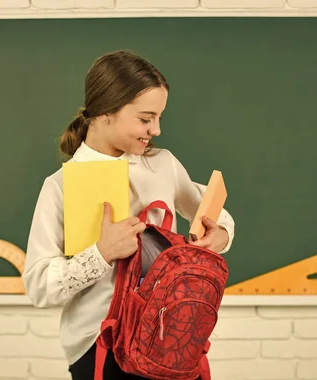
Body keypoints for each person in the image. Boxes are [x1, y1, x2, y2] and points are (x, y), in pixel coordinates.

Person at [22, 50, 235, 380]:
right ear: (106, 112)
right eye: (146, 118)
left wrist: (218, 235)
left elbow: (216, 216)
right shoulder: (63, 184)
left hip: (168, 339)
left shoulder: (162, 164)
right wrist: (101, 254)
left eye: (159, 118)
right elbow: (39, 287)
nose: (157, 130)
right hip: (101, 348)